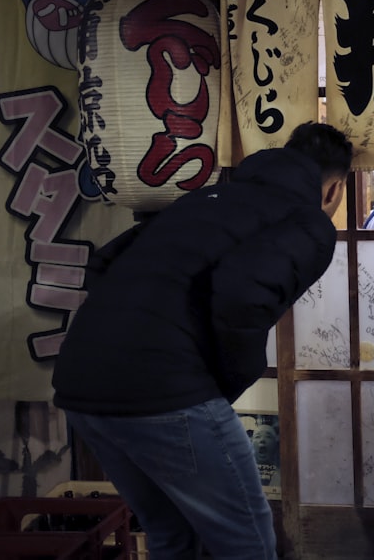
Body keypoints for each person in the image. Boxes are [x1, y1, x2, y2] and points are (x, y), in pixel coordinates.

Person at [51, 122, 353, 560]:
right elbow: (243, 293)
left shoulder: (208, 199)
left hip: (80, 385)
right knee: (247, 544)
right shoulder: (307, 221)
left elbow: (103, 264)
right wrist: (229, 380)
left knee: (171, 532)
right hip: (162, 391)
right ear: (335, 190)